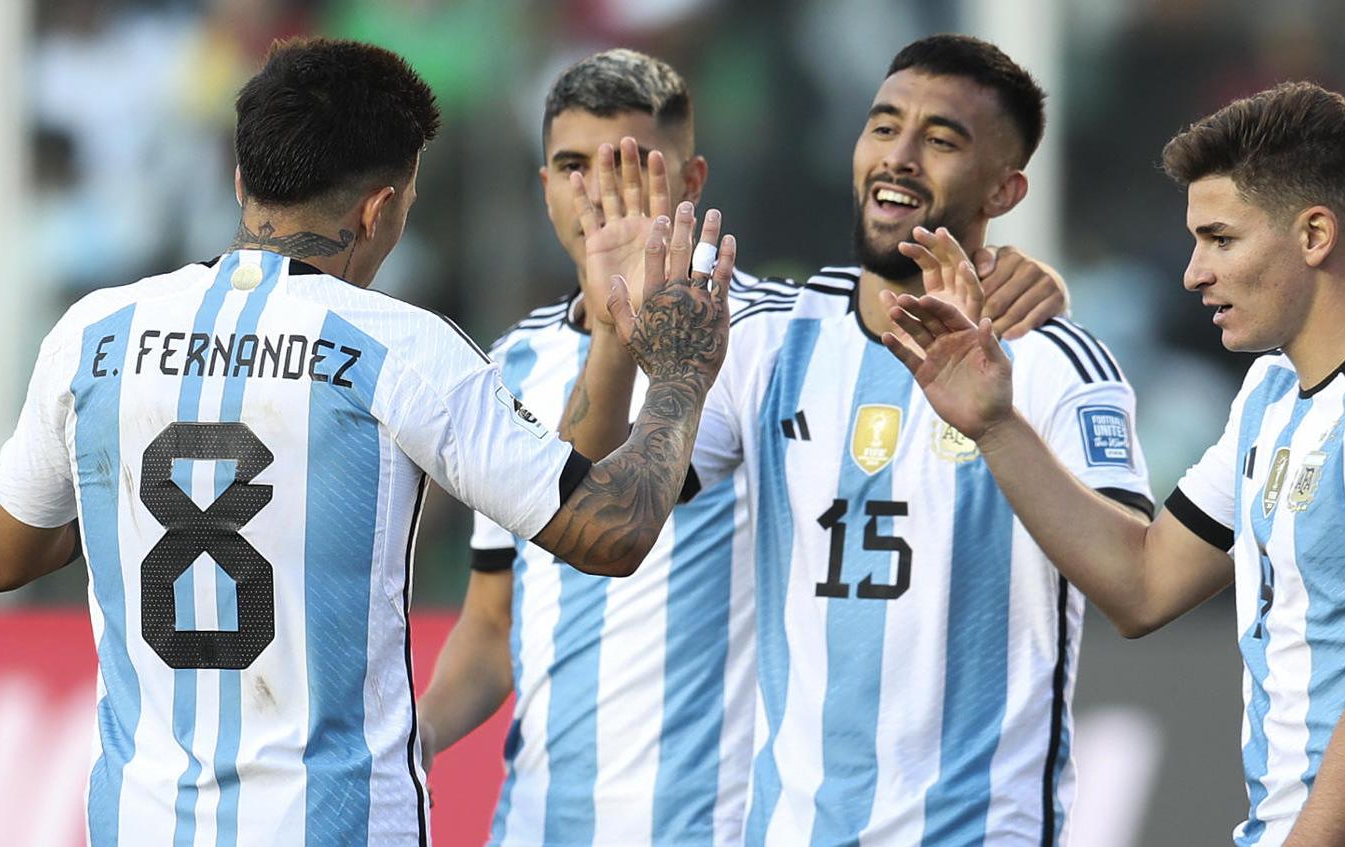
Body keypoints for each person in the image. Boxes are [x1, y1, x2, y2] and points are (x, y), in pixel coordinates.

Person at [0, 38, 734, 846]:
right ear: (380, 206)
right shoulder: (401, 349)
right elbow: (608, 531)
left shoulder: (95, 332)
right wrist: (679, 375)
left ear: (241, 181)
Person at [419, 48, 1070, 846]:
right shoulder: (511, 359)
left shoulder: (761, 339)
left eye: (630, 167)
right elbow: (494, 620)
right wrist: (407, 740)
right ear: (543, 182)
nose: (600, 192)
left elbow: (877, 312)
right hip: (537, 824)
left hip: (715, 824)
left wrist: (1009, 270)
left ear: (690, 185)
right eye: (572, 165)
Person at [881, 81, 1345, 846]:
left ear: (1314, 235)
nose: (1193, 272)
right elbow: (1143, 583)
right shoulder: (1271, 393)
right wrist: (994, 424)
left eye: (1220, 239)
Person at [562, 35, 1145, 846]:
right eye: (883, 126)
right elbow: (589, 521)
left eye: (941, 139)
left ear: (1006, 190)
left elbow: (1134, 587)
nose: (900, 156)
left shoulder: (1052, 360)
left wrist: (998, 424)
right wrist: (613, 330)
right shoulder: (769, 340)